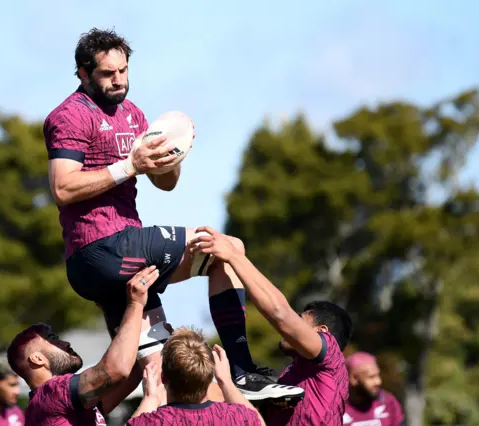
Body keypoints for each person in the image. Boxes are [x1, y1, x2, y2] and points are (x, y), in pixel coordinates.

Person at [44, 26, 299, 402]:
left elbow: (166, 184)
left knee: (157, 373)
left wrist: (170, 157)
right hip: (100, 249)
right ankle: (242, 372)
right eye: (107, 74)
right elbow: (63, 188)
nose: (119, 80)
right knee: (224, 247)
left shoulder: (133, 115)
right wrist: (131, 166)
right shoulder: (68, 116)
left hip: (123, 261)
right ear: (82, 73)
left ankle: (84, 416)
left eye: (124, 70)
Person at [190, 227, 354, 426]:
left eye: (300, 318)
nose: (294, 324)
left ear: (322, 332)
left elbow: (280, 314)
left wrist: (233, 254)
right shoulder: (289, 379)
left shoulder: (331, 359)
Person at [6, 266, 158, 425]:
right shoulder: (51, 393)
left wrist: (112, 311)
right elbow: (117, 369)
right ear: (37, 358)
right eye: (52, 339)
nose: (65, 343)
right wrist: (135, 304)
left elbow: (133, 367)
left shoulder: (63, 406)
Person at [128, 327, 264, 426]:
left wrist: (150, 399)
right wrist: (226, 382)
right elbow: (258, 422)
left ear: (163, 377)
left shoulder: (154, 422)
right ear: (210, 376)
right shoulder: (236, 418)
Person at [343, 352, 404, 426]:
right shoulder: (336, 408)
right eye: (371, 377)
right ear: (354, 378)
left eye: (378, 375)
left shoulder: (388, 402)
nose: (378, 381)